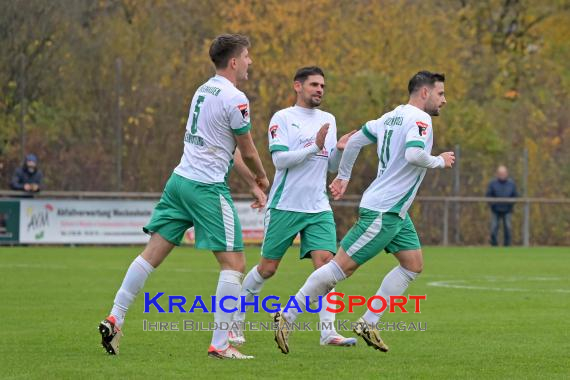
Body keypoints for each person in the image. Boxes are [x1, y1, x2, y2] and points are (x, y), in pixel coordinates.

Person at [98, 34, 269, 360]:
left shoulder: (203, 90)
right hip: (206, 189)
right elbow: (246, 151)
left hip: (179, 182)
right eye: (247, 56)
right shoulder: (237, 98)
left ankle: (115, 317)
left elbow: (225, 150)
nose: (250, 62)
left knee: (150, 256)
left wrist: (250, 184)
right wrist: (262, 176)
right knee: (234, 264)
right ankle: (220, 344)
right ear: (234, 62)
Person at [272, 71, 455, 354]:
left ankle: (369, 321)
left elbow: (355, 140)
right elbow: (414, 155)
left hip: (396, 212)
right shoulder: (421, 120)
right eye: (440, 94)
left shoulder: (389, 117)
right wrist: (440, 161)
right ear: (424, 93)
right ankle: (288, 315)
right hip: (384, 211)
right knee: (338, 269)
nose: (444, 100)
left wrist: (344, 175)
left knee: (413, 264)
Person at [229, 67, 357, 348]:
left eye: (323, 85)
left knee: (326, 266)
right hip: (285, 205)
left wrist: (340, 150)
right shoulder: (283, 118)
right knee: (267, 269)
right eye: (314, 84)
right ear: (297, 86)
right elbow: (280, 160)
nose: (319, 89)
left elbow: (330, 164)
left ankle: (328, 332)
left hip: (318, 207)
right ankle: (235, 320)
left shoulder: (328, 119)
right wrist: (315, 145)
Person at [486, 165, 517, 246]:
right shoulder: (492, 183)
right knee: (494, 227)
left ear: (506, 173)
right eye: (500, 173)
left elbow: (515, 195)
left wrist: (511, 205)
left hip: (507, 209)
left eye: (503, 173)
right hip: (495, 209)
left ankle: (507, 245)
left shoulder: (511, 184)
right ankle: (494, 244)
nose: (502, 175)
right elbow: (488, 195)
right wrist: (492, 204)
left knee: (508, 227)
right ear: (497, 174)